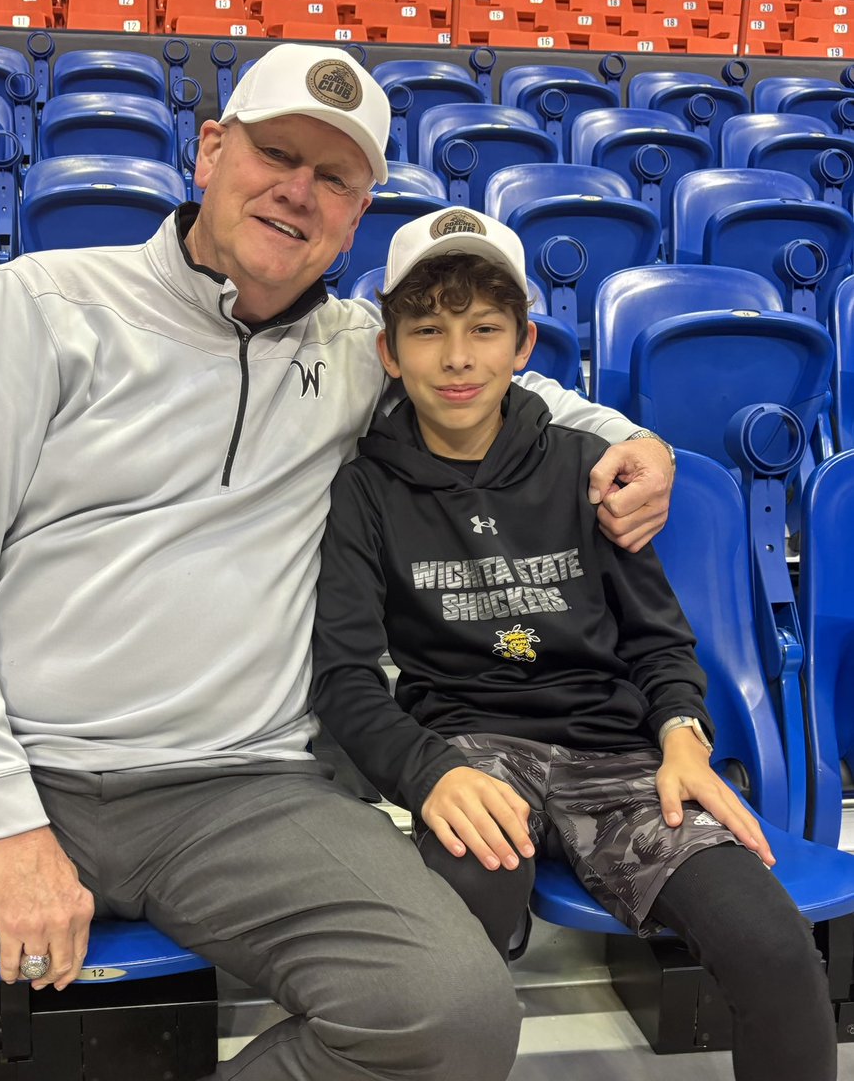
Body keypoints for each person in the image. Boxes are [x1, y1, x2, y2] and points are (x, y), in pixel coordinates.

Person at [0, 44, 674, 1081]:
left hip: (241, 789)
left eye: (334, 178)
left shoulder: (356, 352)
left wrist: (629, 441)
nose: (298, 191)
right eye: (275, 153)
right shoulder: (41, 305)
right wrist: (6, 823)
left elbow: (511, 396)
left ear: (358, 209)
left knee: (448, 1014)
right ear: (209, 151)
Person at [310, 206, 836, 1081]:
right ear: (388, 351)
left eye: (484, 329)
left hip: (618, 756)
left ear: (523, 344)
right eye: (427, 329)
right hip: (470, 752)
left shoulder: (588, 468)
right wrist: (427, 771)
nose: (456, 357)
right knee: (458, 934)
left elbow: (659, 639)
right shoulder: (361, 490)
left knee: (775, 946)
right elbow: (345, 679)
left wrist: (680, 733)